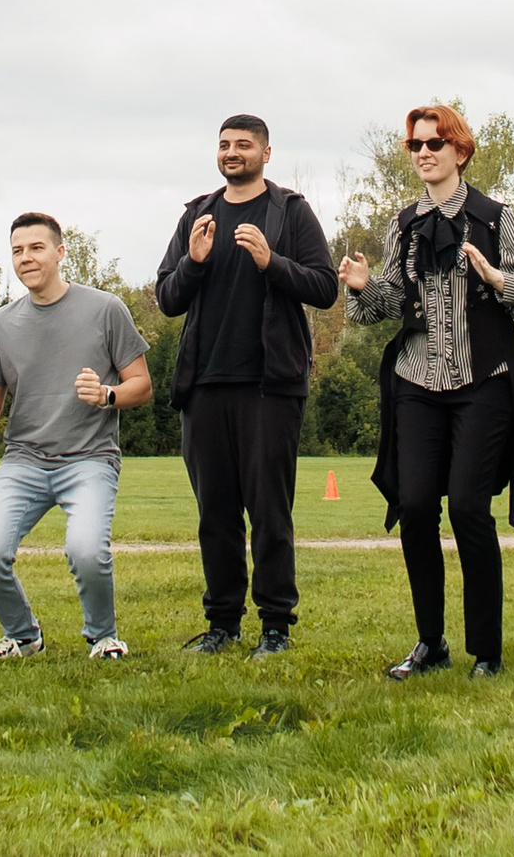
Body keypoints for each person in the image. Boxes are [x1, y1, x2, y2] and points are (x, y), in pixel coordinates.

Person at [344, 104, 514, 680]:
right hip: (415, 382)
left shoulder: (496, 218)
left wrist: (496, 278)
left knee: (467, 507)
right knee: (414, 507)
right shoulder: (404, 224)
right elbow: (387, 305)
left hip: (481, 384)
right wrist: (364, 289)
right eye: (415, 146)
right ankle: (430, 644)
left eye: (434, 144)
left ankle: (486, 651)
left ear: (460, 151)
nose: (424, 153)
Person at [151, 114, 338, 657]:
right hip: (205, 385)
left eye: (243, 145)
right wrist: (195, 261)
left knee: (270, 512)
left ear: (266, 153)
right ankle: (222, 625)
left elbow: (324, 287)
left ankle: (275, 627)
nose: (233, 153)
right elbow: (167, 297)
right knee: (216, 513)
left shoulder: (290, 212)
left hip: (269, 386)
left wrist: (270, 261)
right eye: (225, 145)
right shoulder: (197, 215)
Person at [0, 213, 152, 661]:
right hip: (24, 460)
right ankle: (23, 635)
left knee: (86, 550)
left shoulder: (105, 309)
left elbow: (142, 386)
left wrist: (107, 394)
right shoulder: (1, 324)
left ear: (60, 251)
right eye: (17, 250)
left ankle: (103, 637)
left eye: (36, 248)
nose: (26, 258)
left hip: (89, 458)